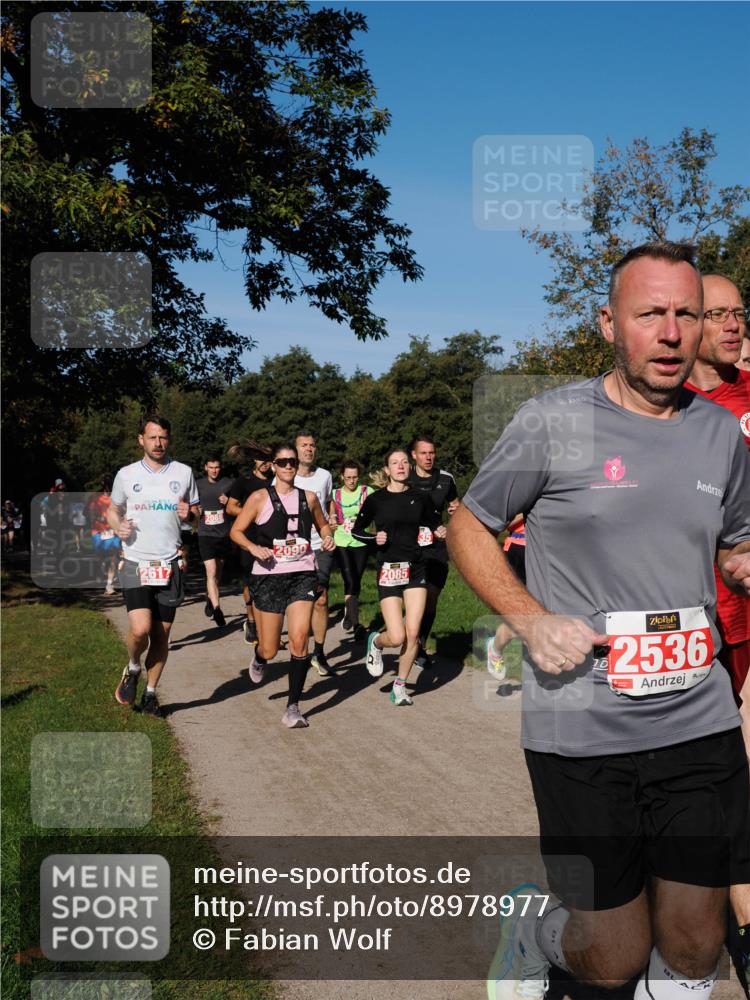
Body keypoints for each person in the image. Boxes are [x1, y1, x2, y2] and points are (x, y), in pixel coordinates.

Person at [449, 242, 750, 1000]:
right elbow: (469, 525)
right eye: (651, 314)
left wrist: (745, 560)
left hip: (698, 717)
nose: (673, 332)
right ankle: (534, 930)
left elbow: (736, 539)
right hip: (584, 726)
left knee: (696, 942)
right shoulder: (553, 421)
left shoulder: (719, 432)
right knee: (613, 954)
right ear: (609, 323)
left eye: (688, 314)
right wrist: (527, 617)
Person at [683, 274, 750, 997]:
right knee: (704, 790)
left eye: (741, 313)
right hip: (692, 624)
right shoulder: (661, 409)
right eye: (718, 314)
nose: (732, 325)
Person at [229, 442, 336, 729]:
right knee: (271, 648)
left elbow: (323, 525)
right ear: (273, 466)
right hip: (268, 576)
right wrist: (253, 548)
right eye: (282, 462)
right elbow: (236, 532)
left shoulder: (310, 498)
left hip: (302, 574)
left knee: (300, 640)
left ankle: (293, 707)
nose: (288, 466)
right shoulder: (259, 498)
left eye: (292, 461)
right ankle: (260, 657)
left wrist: (327, 537)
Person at [109, 414, 200, 718]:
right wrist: (118, 524)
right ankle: (134, 666)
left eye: (163, 437)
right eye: (152, 438)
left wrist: (190, 515)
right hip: (135, 561)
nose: (158, 443)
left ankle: (150, 694)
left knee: (161, 636)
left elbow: (195, 516)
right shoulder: (126, 474)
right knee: (140, 629)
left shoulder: (184, 473)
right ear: (141, 440)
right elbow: (112, 510)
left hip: (169, 564)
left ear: (168, 439)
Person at [351, 448, 437, 706]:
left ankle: (399, 686)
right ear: (387, 470)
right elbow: (357, 531)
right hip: (389, 570)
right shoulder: (377, 500)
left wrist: (439, 530)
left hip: (416, 569)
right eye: (394, 463)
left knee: (413, 633)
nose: (400, 466)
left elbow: (434, 525)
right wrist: (373, 537)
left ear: (409, 467)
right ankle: (376, 642)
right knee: (397, 636)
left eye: (404, 462)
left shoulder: (421, 498)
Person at [406, 435, 459, 669]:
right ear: (414, 455)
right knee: (409, 600)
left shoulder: (446, 479)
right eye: (423, 453)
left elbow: (456, 506)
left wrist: (455, 513)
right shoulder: (404, 477)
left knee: (431, 599)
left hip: (436, 547)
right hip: (408, 546)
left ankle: (419, 645)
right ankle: (403, 638)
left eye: (432, 453)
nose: (429, 457)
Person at [294, 431, 334, 677]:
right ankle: (299, 648)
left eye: (312, 445)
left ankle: (318, 652)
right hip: (293, 549)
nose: (309, 449)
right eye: (304, 445)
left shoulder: (324, 476)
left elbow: (328, 501)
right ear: (296, 450)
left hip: (320, 545)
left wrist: (330, 524)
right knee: (298, 600)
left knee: (320, 597)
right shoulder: (285, 477)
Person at [226, 440, 273, 644]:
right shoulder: (244, 481)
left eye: (269, 460)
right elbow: (230, 507)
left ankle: (268, 626)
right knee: (250, 582)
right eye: (262, 459)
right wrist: (252, 514)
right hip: (248, 538)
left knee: (270, 583)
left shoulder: (275, 481)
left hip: (271, 539)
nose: (265, 463)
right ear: (254, 460)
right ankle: (251, 620)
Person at [330, 460, 373, 637]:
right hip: (342, 541)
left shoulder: (367, 492)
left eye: (355, 477)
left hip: (361, 542)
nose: (352, 481)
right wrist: (331, 518)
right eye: (348, 477)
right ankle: (357, 625)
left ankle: (349, 612)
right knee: (350, 580)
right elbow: (327, 511)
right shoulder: (334, 494)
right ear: (342, 477)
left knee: (357, 579)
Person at [486, 514, 526, 680]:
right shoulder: (521, 489)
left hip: (548, 549)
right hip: (519, 549)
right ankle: (495, 648)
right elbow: (500, 521)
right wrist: (530, 509)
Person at [196, 455, 233, 628]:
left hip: (224, 535)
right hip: (205, 534)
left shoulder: (229, 484)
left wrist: (229, 501)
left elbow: (238, 506)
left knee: (218, 574)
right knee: (210, 572)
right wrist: (196, 509)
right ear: (205, 467)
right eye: (211, 467)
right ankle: (218, 609)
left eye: (217, 467)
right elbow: (190, 505)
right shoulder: (198, 485)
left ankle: (210, 599)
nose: (214, 470)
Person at [86, 474, 119, 595]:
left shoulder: (117, 497)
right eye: (107, 486)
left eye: (111, 486)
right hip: (98, 531)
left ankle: (109, 584)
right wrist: (96, 517)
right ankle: (100, 575)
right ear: (103, 485)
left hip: (113, 531)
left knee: (113, 557)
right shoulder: (95, 497)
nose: (109, 489)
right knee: (101, 558)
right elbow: (88, 512)